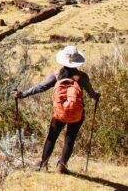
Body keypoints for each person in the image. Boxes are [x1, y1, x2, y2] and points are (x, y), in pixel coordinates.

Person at [13, 45, 100, 173]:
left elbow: (40, 87)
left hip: (59, 113)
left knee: (52, 137)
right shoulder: (82, 77)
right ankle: (62, 165)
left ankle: (43, 163)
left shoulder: (57, 75)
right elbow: (92, 94)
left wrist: (23, 94)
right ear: (77, 61)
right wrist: (96, 95)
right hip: (77, 114)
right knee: (70, 138)